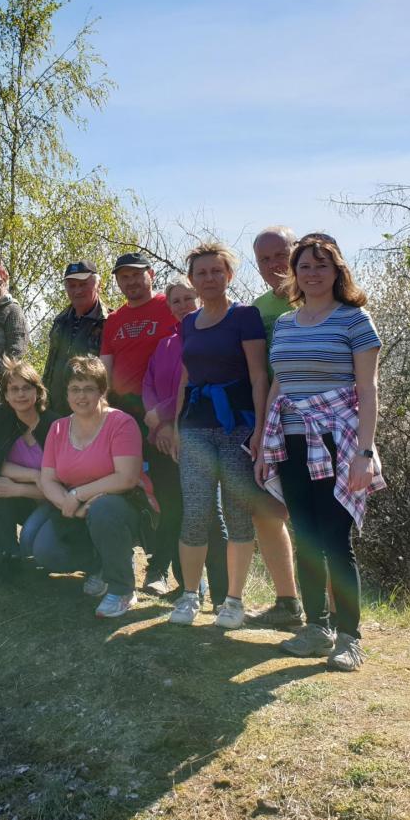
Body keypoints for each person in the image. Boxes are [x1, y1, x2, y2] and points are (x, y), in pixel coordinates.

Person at [257, 233, 384, 671]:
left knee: (335, 540)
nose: (312, 273)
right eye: (305, 266)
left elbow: (368, 391)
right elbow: (279, 385)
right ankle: (316, 628)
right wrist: (265, 447)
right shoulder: (285, 324)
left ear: (337, 271)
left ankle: (349, 637)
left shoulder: (354, 320)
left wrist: (364, 452)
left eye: (321, 265)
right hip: (290, 443)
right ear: (294, 273)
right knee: (308, 539)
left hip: (338, 443)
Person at [166, 243, 283, 630]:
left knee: (237, 515)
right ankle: (189, 596)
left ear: (229, 275)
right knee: (195, 512)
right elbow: (186, 378)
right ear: (192, 280)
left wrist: (261, 430)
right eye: (201, 273)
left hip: (238, 427)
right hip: (195, 428)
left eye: (217, 271)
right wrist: (177, 425)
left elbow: (258, 376)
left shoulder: (245, 316)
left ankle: (233, 601)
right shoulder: (188, 323)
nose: (210, 278)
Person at [23, 356, 159, 618]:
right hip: (76, 508)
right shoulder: (58, 428)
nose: (81, 396)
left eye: (88, 388)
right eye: (74, 389)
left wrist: (78, 495)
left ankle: (122, 588)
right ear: (66, 393)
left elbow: (127, 478)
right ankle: (101, 564)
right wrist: (69, 504)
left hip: (122, 505)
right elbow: (48, 478)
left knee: (103, 509)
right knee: (42, 550)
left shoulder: (121, 423)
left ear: (102, 391)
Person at [142, 278, 228, 601]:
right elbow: (148, 384)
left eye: (188, 299)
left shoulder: (207, 339)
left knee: (207, 514)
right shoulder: (164, 344)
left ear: (199, 299)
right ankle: (187, 587)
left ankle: (222, 595)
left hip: (198, 435)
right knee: (174, 511)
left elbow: (192, 386)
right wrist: (159, 426)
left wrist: (164, 415)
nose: (182, 306)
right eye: (175, 301)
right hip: (163, 442)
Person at [100, 253, 179, 591]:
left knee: (168, 491)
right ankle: (116, 564)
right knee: (125, 489)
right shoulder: (114, 320)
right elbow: (104, 368)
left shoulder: (169, 307)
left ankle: (162, 571)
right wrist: (100, 409)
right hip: (123, 414)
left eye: (136, 274)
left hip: (162, 413)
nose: (130, 281)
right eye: (124, 276)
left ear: (151, 274)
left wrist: (167, 418)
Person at [241, 225, 306, 630]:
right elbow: (258, 373)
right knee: (266, 510)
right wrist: (259, 425)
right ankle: (287, 602)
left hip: (318, 421)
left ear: (296, 252)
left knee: (315, 520)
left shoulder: (319, 295)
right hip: (270, 419)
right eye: (264, 259)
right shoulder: (258, 308)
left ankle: (333, 615)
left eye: (280, 254)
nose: (273, 265)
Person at [0, 360, 62, 576]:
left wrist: (20, 488)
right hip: (25, 498)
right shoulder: (0, 418)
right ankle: (7, 554)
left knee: (31, 542)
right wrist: (35, 475)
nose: (20, 394)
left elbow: (63, 484)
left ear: (38, 391)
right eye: (14, 389)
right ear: (6, 395)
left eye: (26, 387)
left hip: (55, 502)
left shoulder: (55, 425)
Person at [42, 261, 108, 414]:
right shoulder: (60, 321)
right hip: (54, 409)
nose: (77, 290)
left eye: (83, 284)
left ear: (98, 284)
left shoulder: (109, 321)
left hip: (90, 411)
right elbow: (50, 366)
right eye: (72, 286)